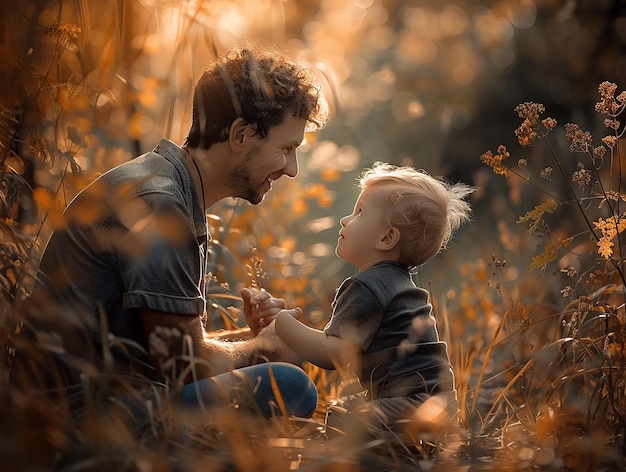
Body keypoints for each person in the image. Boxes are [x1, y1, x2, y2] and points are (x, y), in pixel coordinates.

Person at [10, 45, 328, 420]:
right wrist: (267, 349)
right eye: (287, 148)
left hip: (105, 400)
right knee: (290, 385)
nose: (291, 169)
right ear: (241, 134)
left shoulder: (172, 187)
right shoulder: (159, 202)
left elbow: (172, 350)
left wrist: (254, 339)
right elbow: (184, 367)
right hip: (73, 422)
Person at [243, 161, 473, 440]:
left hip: (412, 406)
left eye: (359, 212)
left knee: (343, 422)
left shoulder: (368, 285)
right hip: (438, 406)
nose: (345, 220)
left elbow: (334, 355)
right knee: (352, 414)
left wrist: (282, 323)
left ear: (387, 238)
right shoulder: (396, 283)